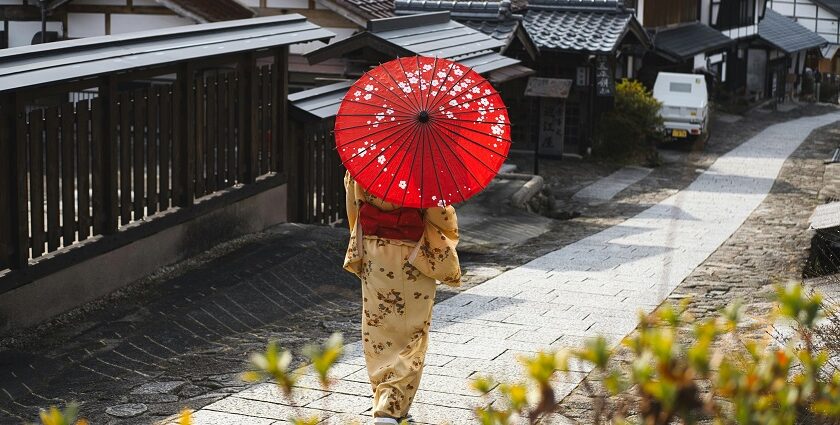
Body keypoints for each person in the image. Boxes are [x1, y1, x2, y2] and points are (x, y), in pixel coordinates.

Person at [343, 171, 462, 424]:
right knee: (413, 332)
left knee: (378, 327)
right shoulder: (422, 168)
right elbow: (441, 216)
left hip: (375, 252)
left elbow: (354, 209)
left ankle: (382, 395)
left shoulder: (364, 162)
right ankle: (391, 404)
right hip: (412, 254)